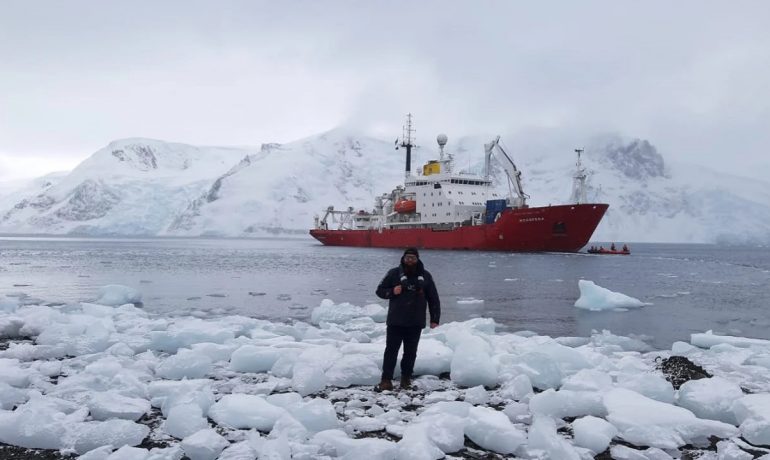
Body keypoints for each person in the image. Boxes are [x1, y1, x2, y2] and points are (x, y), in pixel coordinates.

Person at [374, 247, 440, 391]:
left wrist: (435, 319)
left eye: (413, 258)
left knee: (410, 352)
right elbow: (379, 291)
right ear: (403, 259)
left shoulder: (426, 276)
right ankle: (386, 380)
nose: (410, 261)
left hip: (415, 322)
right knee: (391, 351)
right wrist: (392, 291)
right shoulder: (393, 273)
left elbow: (433, 298)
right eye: (407, 258)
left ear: (417, 259)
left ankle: (406, 379)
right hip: (395, 322)